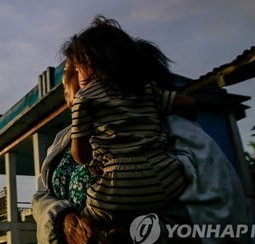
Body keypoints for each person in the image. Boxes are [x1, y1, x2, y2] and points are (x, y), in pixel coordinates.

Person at [32, 19, 247, 244]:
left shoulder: (178, 134)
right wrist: (63, 223)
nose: (67, 82)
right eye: (68, 71)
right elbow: (41, 196)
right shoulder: (63, 139)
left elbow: (223, 225)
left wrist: (133, 237)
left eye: (74, 71)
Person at [63, 16, 194, 222]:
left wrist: (91, 161)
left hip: (119, 185)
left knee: (87, 222)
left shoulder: (85, 98)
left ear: (88, 64)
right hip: (167, 179)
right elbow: (187, 103)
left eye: (77, 69)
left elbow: (80, 154)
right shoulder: (146, 89)